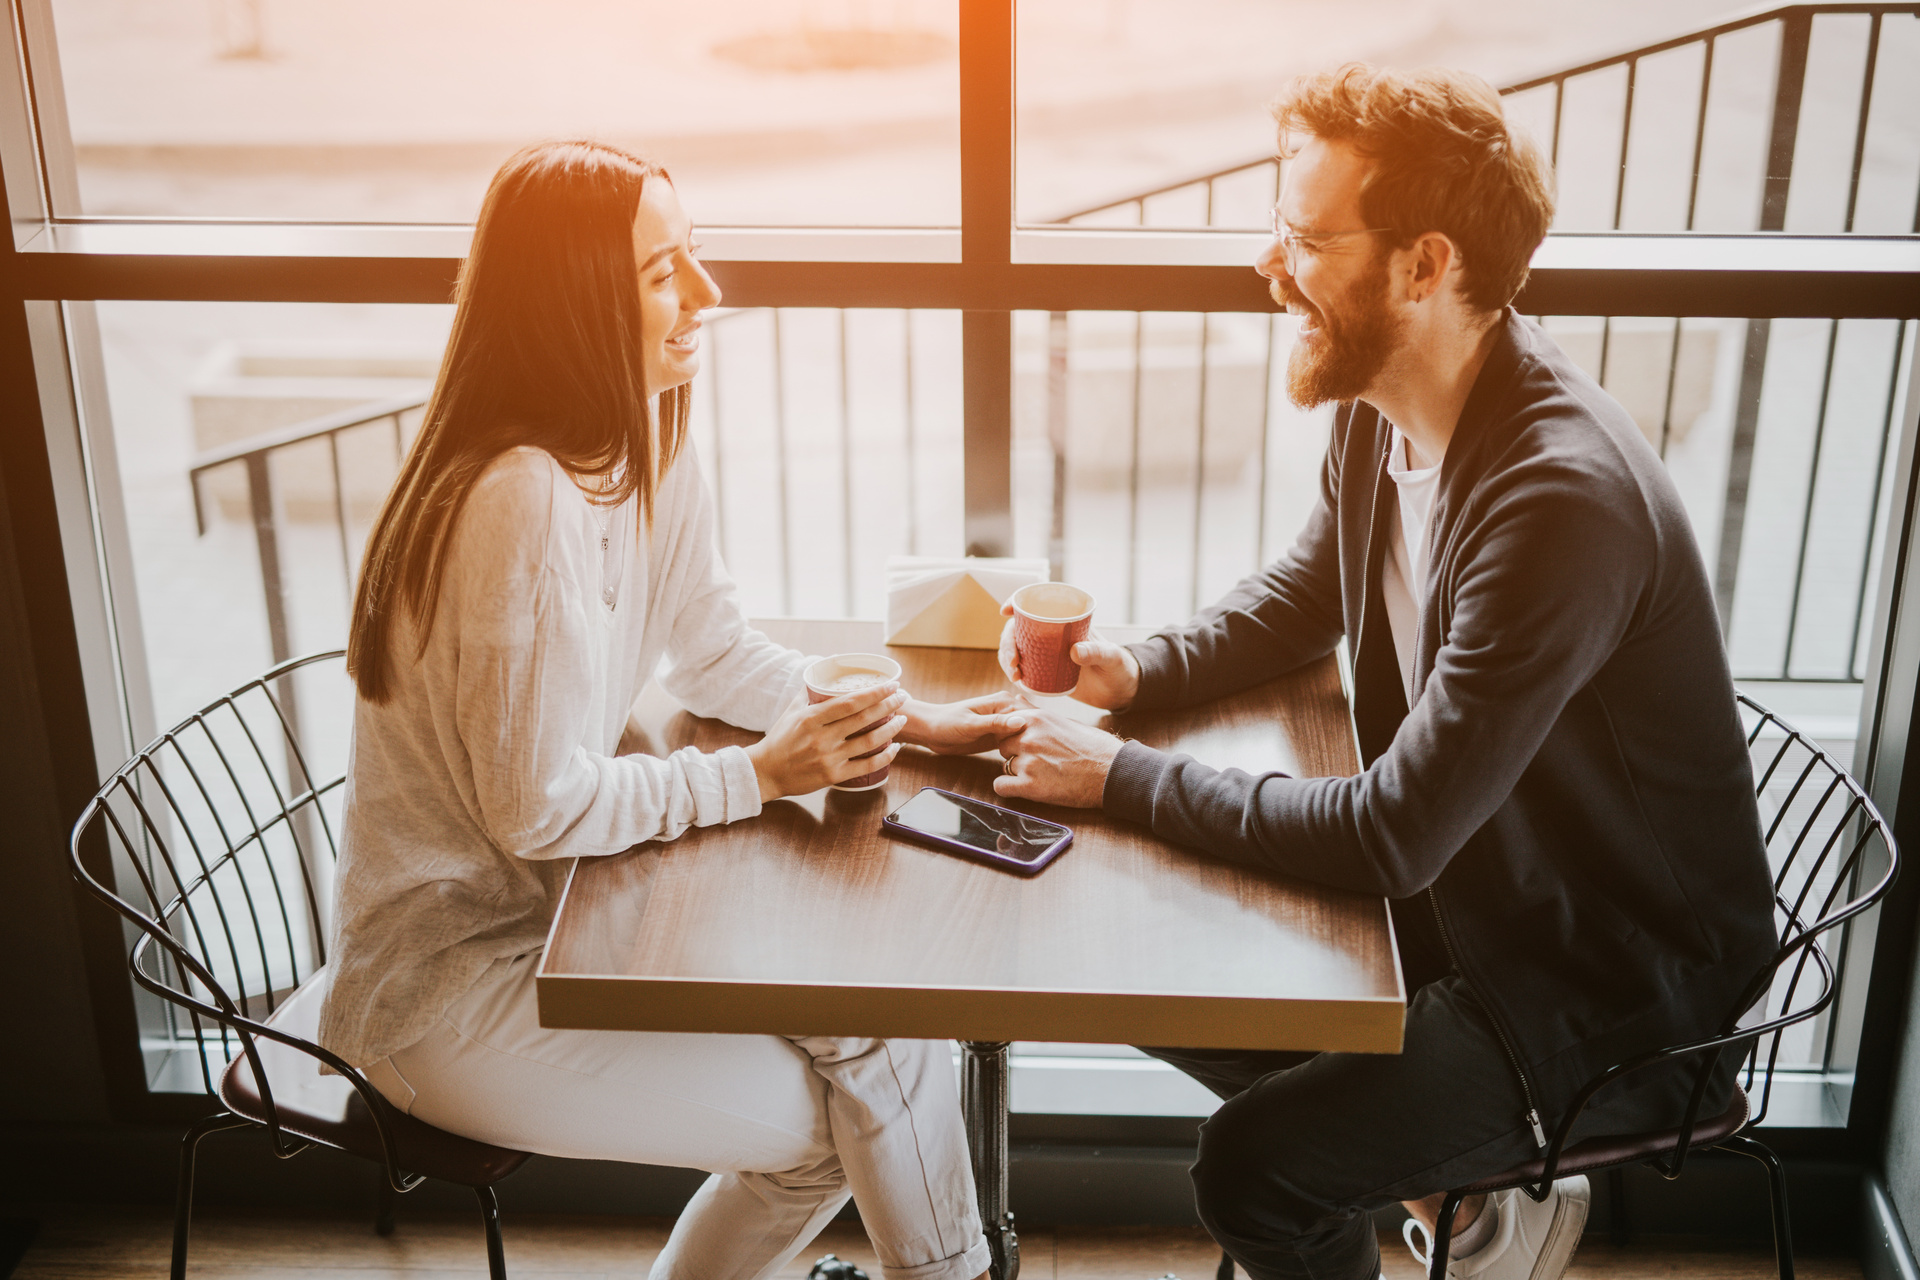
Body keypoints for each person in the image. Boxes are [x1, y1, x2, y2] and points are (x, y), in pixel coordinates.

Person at [990, 65, 1779, 1280]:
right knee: (1155, 973)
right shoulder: (1394, 400)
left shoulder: (1558, 501)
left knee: (1253, 1167)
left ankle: (1467, 1185)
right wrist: (1128, 672)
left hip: (1602, 976)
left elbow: (1393, 833)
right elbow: (1306, 596)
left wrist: (1119, 778)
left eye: (1306, 236)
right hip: (1488, 885)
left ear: (1423, 266)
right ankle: (1466, 1204)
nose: (1270, 262)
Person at [318, 140, 1006, 1280]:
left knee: (877, 1045)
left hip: (578, 920)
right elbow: (535, 811)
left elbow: (715, 651)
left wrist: (902, 720)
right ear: (576, 305)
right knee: (861, 1105)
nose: (708, 294)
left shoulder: (648, 425)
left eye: (694, 256)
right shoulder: (518, 497)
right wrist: (759, 776)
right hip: (449, 988)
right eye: (660, 273)